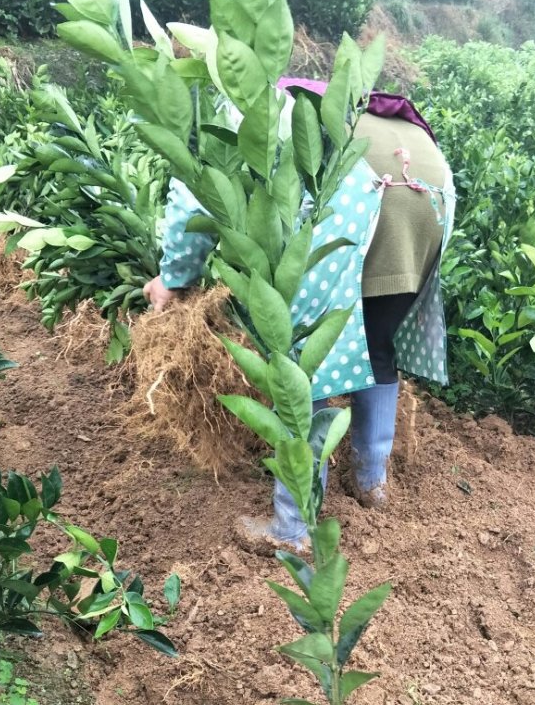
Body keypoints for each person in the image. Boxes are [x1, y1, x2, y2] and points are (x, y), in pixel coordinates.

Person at [144, 85, 456, 549]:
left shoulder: (237, 108)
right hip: (432, 193)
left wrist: (171, 278)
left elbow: (195, 194)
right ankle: (372, 484)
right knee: (377, 343)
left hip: (363, 195)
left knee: (305, 362)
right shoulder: (307, 97)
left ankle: (291, 530)